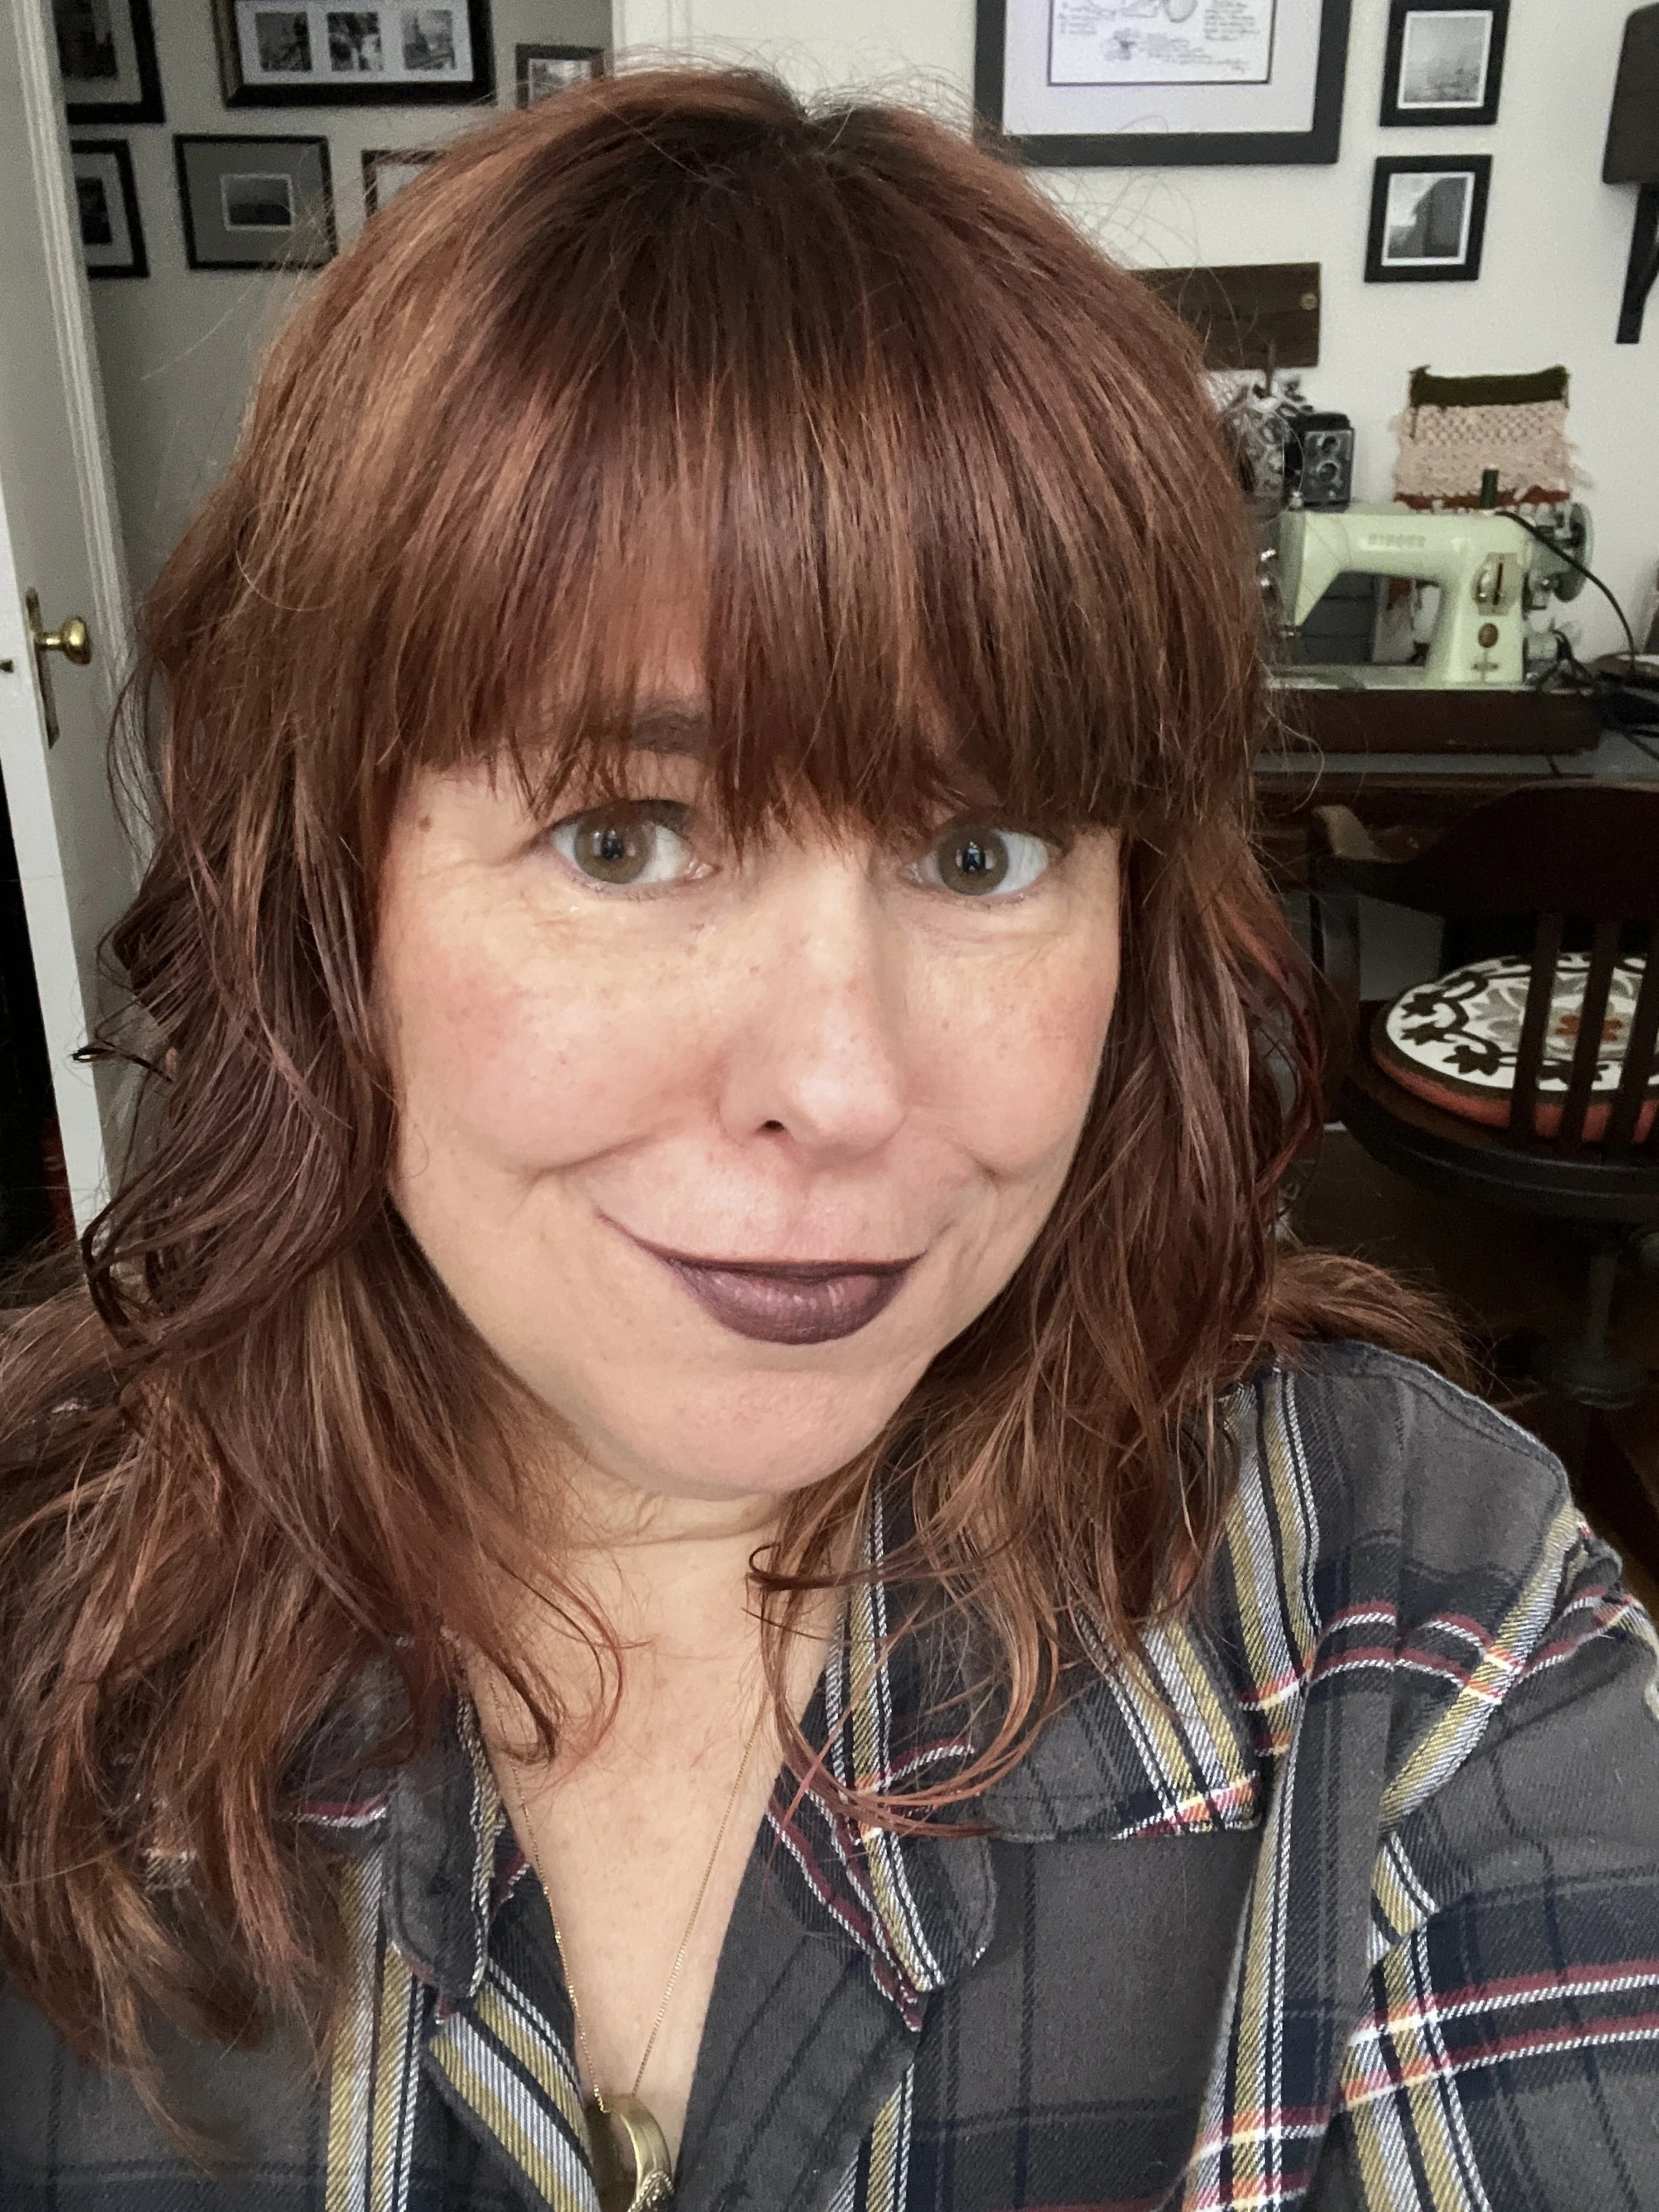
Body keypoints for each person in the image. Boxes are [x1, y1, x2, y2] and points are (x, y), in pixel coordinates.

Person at [1, 65, 1655, 2212]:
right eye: (624, 835)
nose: (845, 1085)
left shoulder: (1409, 1606)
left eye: (978, 853)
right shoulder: (45, 1619)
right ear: (333, 904)